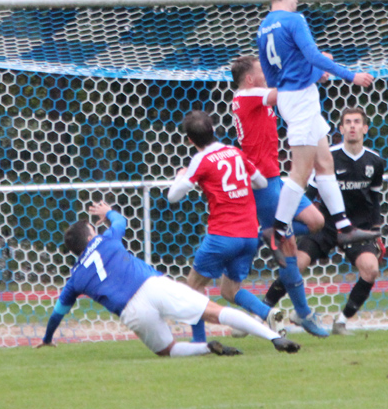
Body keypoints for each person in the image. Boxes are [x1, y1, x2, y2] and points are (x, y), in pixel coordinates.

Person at [256, 0, 379, 332]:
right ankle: (279, 229)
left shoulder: (263, 27)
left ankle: (342, 225)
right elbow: (311, 55)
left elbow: (274, 74)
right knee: (302, 169)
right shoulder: (294, 19)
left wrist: (311, 76)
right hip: (301, 100)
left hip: (294, 98)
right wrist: (349, 75)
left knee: (325, 163)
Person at [37, 200, 300, 355]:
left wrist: (48, 338)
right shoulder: (106, 238)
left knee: (168, 350)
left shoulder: (75, 277)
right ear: (91, 234)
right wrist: (108, 212)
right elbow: (120, 221)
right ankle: (273, 338)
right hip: (152, 285)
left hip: (132, 312)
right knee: (214, 312)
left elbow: (58, 312)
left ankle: (205, 348)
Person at [260, 107, 387, 336]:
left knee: (371, 269)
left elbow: (375, 199)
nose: (352, 126)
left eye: (357, 122)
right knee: (295, 264)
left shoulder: (375, 161)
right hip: (327, 225)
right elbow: (309, 195)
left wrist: (376, 230)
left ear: (365, 128)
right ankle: (261, 312)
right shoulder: (328, 157)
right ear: (341, 129)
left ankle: (341, 322)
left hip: (356, 228)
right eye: (348, 122)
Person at [167, 110, 287, 341]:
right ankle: (269, 313)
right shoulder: (235, 152)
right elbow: (261, 182)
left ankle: (199, 341)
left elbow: (173, 196)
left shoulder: (200, 160)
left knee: (193, 288)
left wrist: (181, 175)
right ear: (213, 130)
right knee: (229, 290)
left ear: (190, 140)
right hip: (249, 235)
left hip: (223, 235)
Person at [230, 55, 328, 337]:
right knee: (289, 248)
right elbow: (281, 93)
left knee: (316, 221)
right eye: (262, 71)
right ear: (250, 79)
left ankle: (271, 231)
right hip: (262, 184)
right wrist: (310, 70)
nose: (267, 73)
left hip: (275, 179)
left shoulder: (253, 96)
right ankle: (304, 313)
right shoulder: (248, 95)